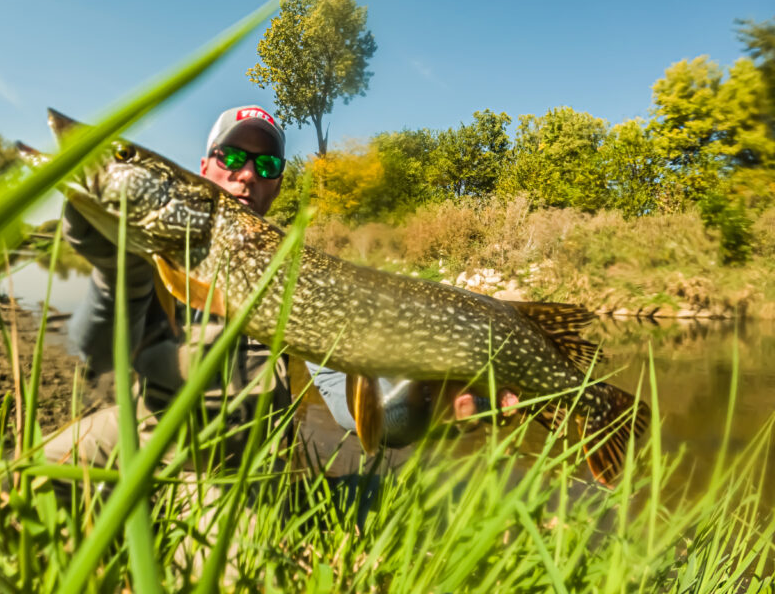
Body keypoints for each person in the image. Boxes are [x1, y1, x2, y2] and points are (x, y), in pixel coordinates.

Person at [43, 104, 513, 467]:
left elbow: (353, 409)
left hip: (231, 464)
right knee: (18, 481)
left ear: (278, 185)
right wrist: (111, 265)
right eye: (230, 157)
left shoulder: (299, 274)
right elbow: (94, 354)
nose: (246, 174)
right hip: (145, 430)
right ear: (203, 169)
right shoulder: (156, 252)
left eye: (265, 166)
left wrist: (425, 411)